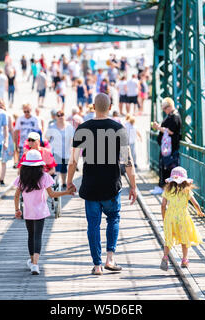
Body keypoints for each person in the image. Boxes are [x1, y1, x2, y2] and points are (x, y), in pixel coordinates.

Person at [67, 93, 137, 276]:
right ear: (110, 106)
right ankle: (110, 258)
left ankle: (97, 265)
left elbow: (73, 161)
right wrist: (134, 186)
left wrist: (68, 182)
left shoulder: (83, 128)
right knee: (113, 218)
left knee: (93, 224)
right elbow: (127, 162)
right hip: (111, 185)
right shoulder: (119, 129)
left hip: (90, 186)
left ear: (93, 107)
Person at [14, 149, 73, 275]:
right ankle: (35, 264)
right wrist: (67, 192)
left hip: (28, 212)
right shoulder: (44, 177)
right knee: (38, 236)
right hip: (40, 211)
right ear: (40, 164)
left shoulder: (21, 178)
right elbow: (52, 194)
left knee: (30, 235)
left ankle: (32, 262)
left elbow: (16, 195)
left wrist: (17, 209)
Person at [160, 166, 204, 271]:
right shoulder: (186, 191)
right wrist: (199, 212)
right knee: (185, 238)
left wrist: (164, 217)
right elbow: (195, 203)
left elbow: (163, 205)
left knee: (168, 238)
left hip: (170, 217)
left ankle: (165, 257)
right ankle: (184, 260)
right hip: (183, 218)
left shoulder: (168, 190)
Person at [151, 97, 182, 195]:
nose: (164, 111)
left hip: (170, 149)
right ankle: (164, 187)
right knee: (164, 167)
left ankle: (166, 188)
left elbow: (171, 131)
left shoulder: (174, 117)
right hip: (167, 148)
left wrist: (158, 128)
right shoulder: (171, 116)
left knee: (168, 168)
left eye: (164, 108)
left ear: (169, 106)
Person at [46, 110, 74, 189]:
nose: (60, 117)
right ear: (56, 117)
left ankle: (64, 183)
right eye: (58, 115)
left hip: (66, 151)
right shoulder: (52, 126)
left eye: (62, 115)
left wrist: (72, 149)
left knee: (64, 168)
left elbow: (72, 138)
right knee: (57, 167)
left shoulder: (69, 126)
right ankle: (55, 183)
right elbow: (47, 137)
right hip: (55, 151)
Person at [0, 102, 15, 186]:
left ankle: (1, 179)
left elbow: (11, 129)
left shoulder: (7, 115)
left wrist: (13, 141)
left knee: (3, 161)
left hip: (5, 139)